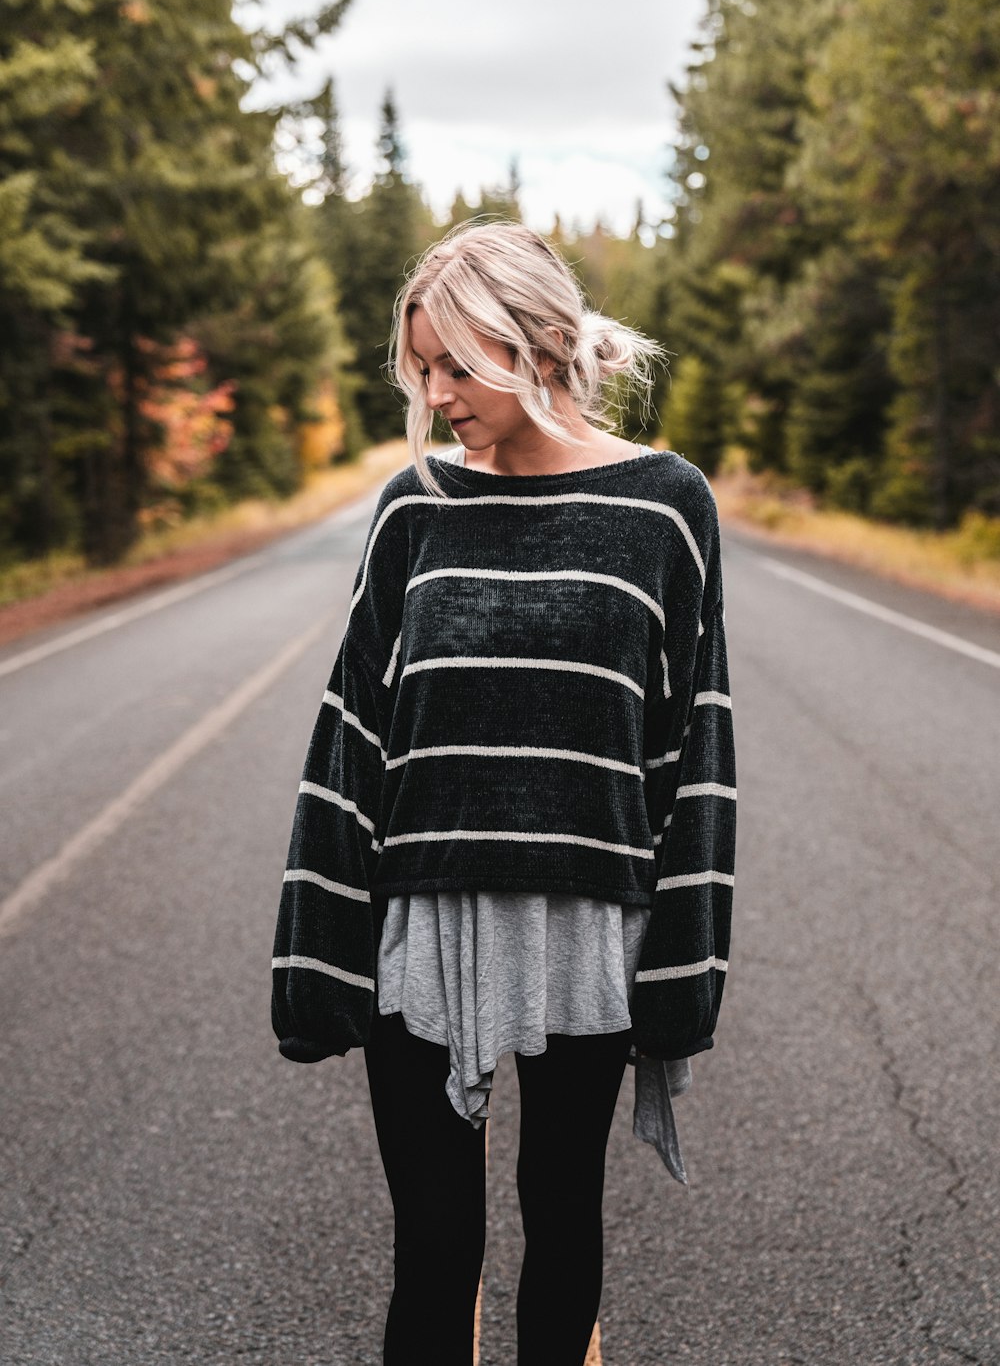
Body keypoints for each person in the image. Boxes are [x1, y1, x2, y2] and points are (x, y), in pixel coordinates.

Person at [270, 219, 737, 1365]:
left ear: (534, 341)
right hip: (420, 922)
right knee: (432, 1247)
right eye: (418, 367)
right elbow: (351, 735)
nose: (432, 394)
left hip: (587, 924)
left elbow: (695, 749)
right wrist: (314, 956)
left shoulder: (664, 507)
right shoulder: (412, 505)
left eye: (453, 363)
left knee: (561, 1222)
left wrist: (684, 966)